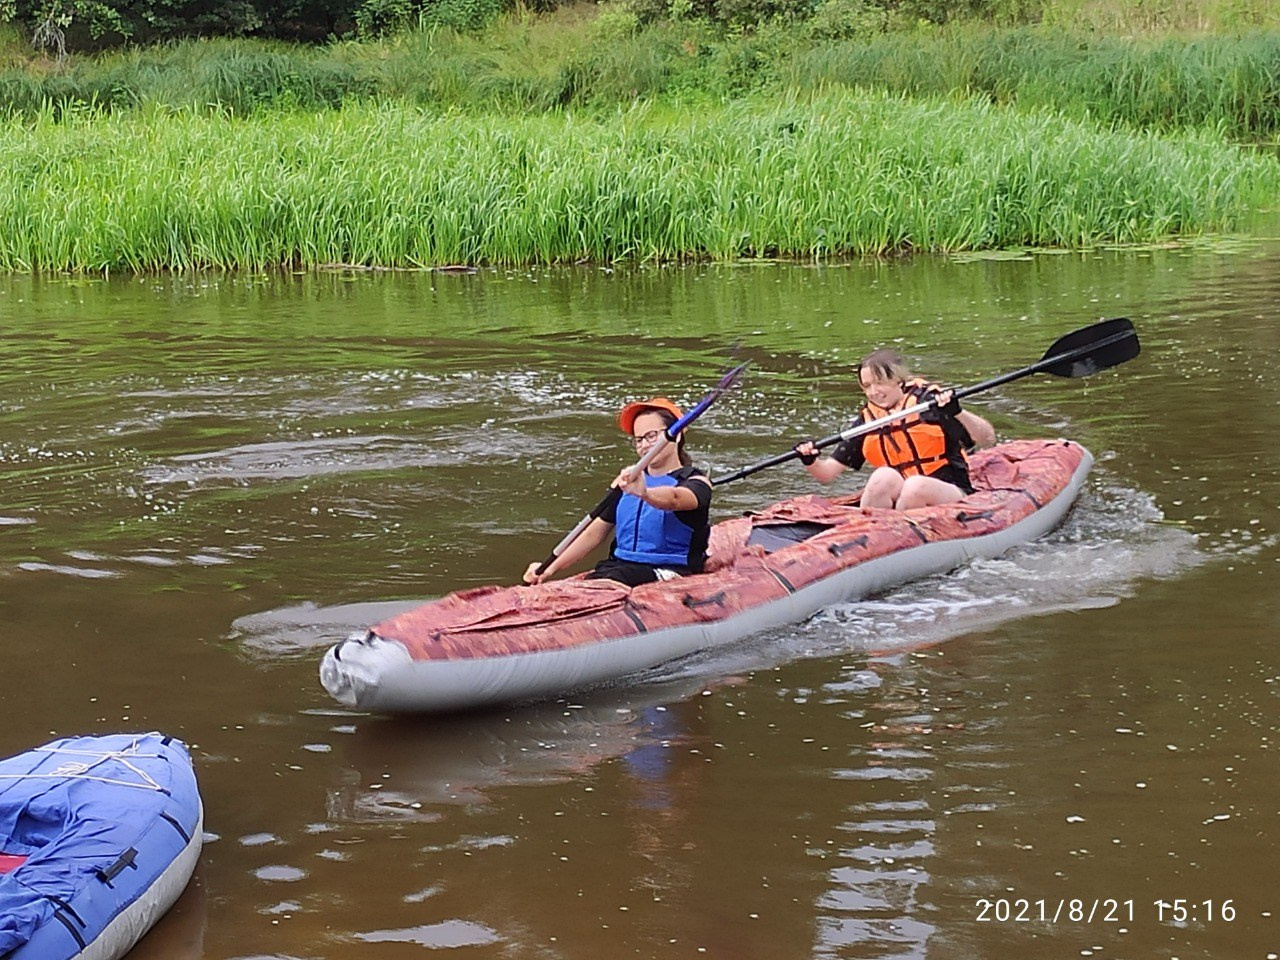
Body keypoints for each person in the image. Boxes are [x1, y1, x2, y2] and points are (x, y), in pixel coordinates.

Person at [522, 398, 713, 587]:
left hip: (669, 571)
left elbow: (675, 499)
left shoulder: (696, 482)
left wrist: (645, 493)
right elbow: (592, 534)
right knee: (608, 575)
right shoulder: (627, 482)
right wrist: (550, 568)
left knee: (618, 576)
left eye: (652, 436)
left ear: (677, 435)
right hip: (620, 567)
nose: (645, 445)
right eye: (639, 439)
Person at [794, 348, 995, 511]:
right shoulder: (869, 420)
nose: (873, 392)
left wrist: (957, 412)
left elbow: (987, 438)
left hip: (951, 492)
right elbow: (826, 474)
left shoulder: (929, 405)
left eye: (879, 383)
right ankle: (876, 534)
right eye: (867, 386)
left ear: (898, 380)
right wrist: (810, 460)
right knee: (883, 477)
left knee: (915, 486)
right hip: (902, 499)